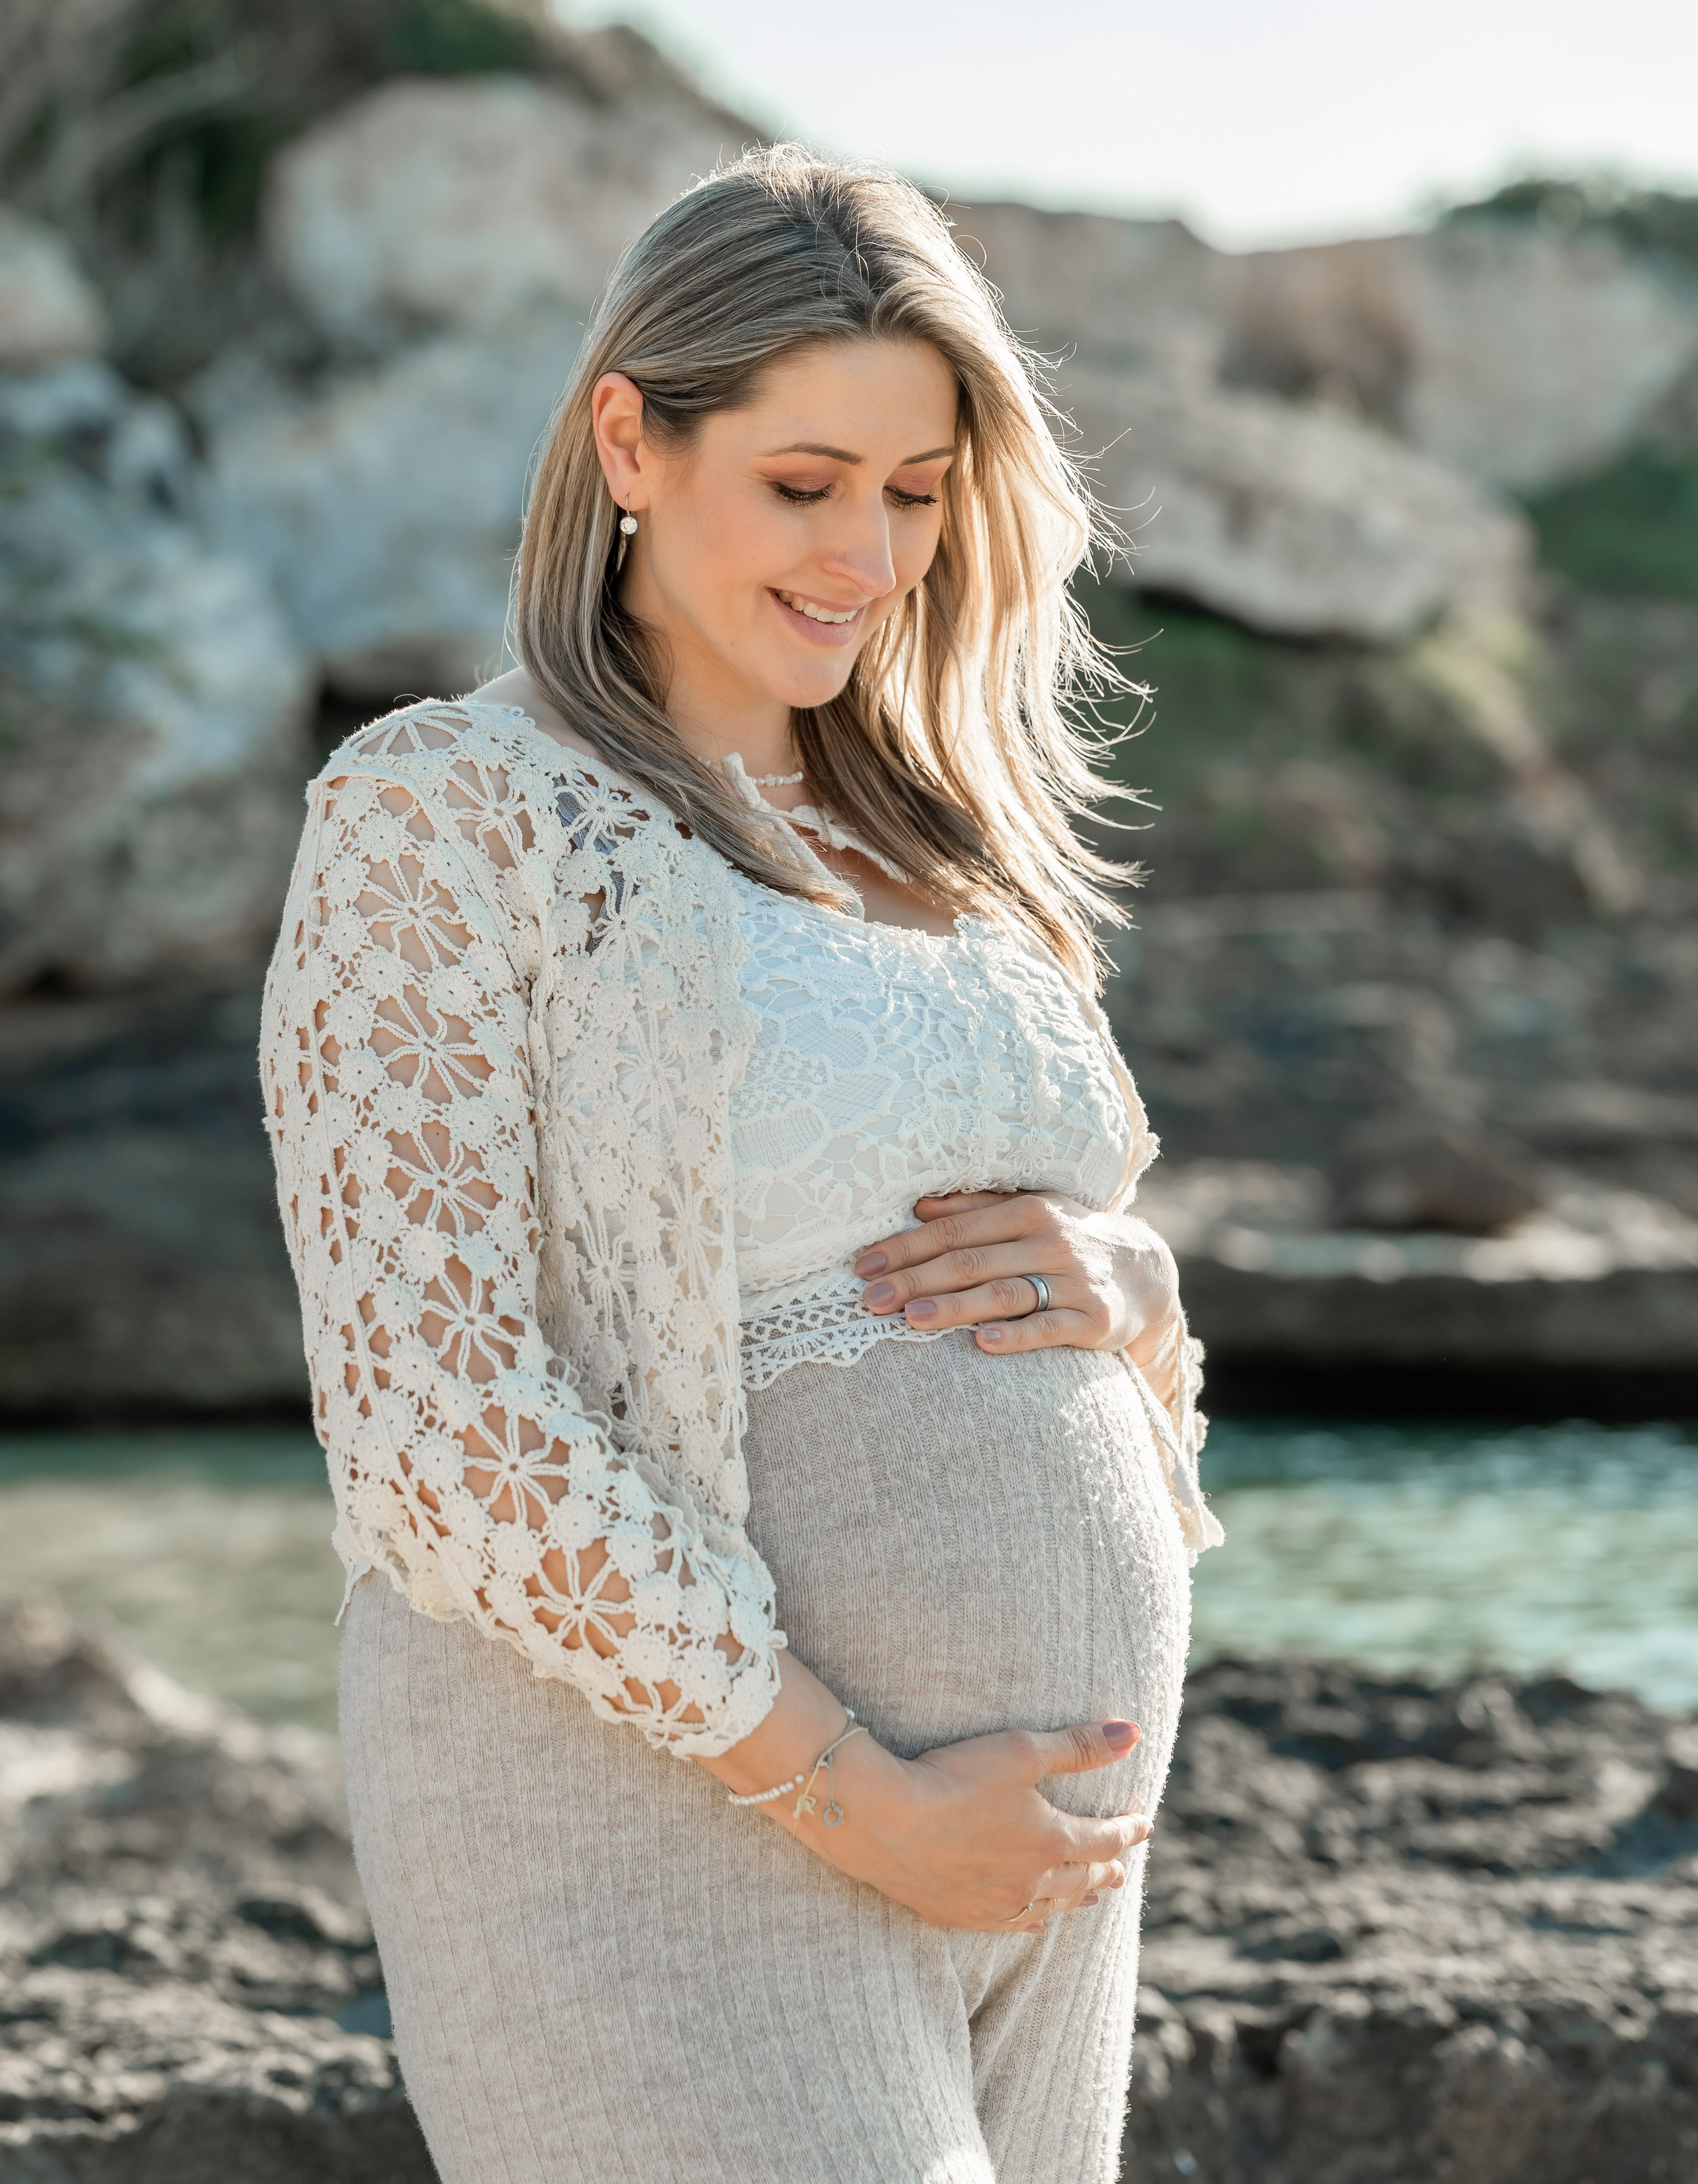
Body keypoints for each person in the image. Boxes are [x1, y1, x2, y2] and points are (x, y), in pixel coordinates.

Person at [261, 145, 1222, 2184]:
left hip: (1037, 1864)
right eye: (805, 484)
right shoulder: (447, 813)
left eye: (916, 490)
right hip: (657, 1813)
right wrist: (853, 1793)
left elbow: (1087, 1298)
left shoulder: (965, 859)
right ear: (631, 434)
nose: (870, 556)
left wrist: (1132, 1292)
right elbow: (432, 1423)